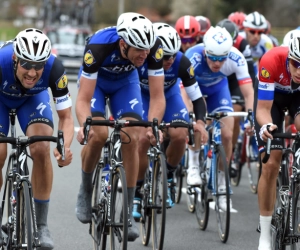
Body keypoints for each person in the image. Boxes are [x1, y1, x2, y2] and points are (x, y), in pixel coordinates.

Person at [75, 12, 165, 242]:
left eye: (147, 50)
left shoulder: (153, 49)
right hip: (97, 84)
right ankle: (86, 190)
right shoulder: (98, 46)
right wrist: (85, 125)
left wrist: (153, 125)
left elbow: (157, 96)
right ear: (123, 44)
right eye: (139, 50)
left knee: (132, 136)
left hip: (125, 83)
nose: (145, 55)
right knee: (98, 133)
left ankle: (127, 211)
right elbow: (83, 100)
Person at [0, 28, 74, 249]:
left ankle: (40, 225)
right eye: (27, 65)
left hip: (32, 100)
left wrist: (64, 146)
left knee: (41, 147)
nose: (32, 73)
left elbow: (66, 117)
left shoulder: (55, 69)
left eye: (38, 66)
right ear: (15, 59)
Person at [132, 23, 208, 218]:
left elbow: (197, 97)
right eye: (165, 56)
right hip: (142, 96)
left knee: (180, 133)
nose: (170, 60)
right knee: (142, 139)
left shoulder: (181, 62)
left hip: (170, 96)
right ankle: (138, 190)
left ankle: (169, 174)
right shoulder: (141, 59)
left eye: (174, 54)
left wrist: (200, 122)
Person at [183, 26, 254, 211]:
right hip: (194, 89)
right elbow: (183, 91)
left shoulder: (236, 58)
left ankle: (222, 184)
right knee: (197, 122)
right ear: (205, 50)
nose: (217, 63)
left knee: (228, 136)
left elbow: (248, 93)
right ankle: (192, 165)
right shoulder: (193, 56)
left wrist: (251, 117)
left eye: (221, 59)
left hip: (217, 90)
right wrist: (189, 113)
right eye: (213, 58)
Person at [254, 31, 300, 250]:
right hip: (271, 101)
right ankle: (264, 234)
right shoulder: (271, 60)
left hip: (297, 100)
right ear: (288, 57)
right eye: (295, 63)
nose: (299, 70)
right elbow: (262, 109)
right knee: (271, 163)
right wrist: (265, 126)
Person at [216, 18, 256, 176]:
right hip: (215, 77)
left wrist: (250, 106)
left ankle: (229, 155)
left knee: (234, 114)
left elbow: (250, 74)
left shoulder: (242, 45)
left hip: (234, 79)